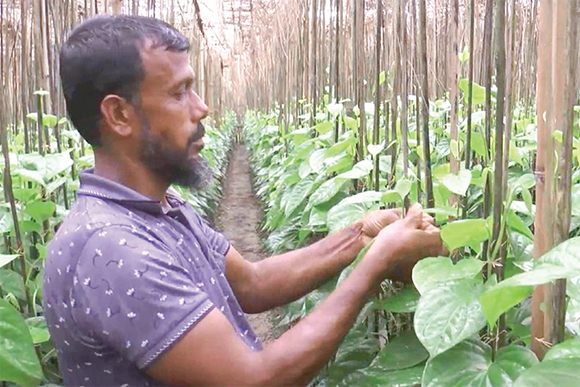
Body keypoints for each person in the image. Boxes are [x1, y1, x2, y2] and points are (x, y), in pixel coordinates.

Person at [43, 14, 446, 386]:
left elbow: (253, 283)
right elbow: (254, 380)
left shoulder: (161, 209)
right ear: (119, 115)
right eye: (179, 93)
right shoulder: (112, 247)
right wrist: (377, 263)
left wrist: (360, 236)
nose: (202, 108)